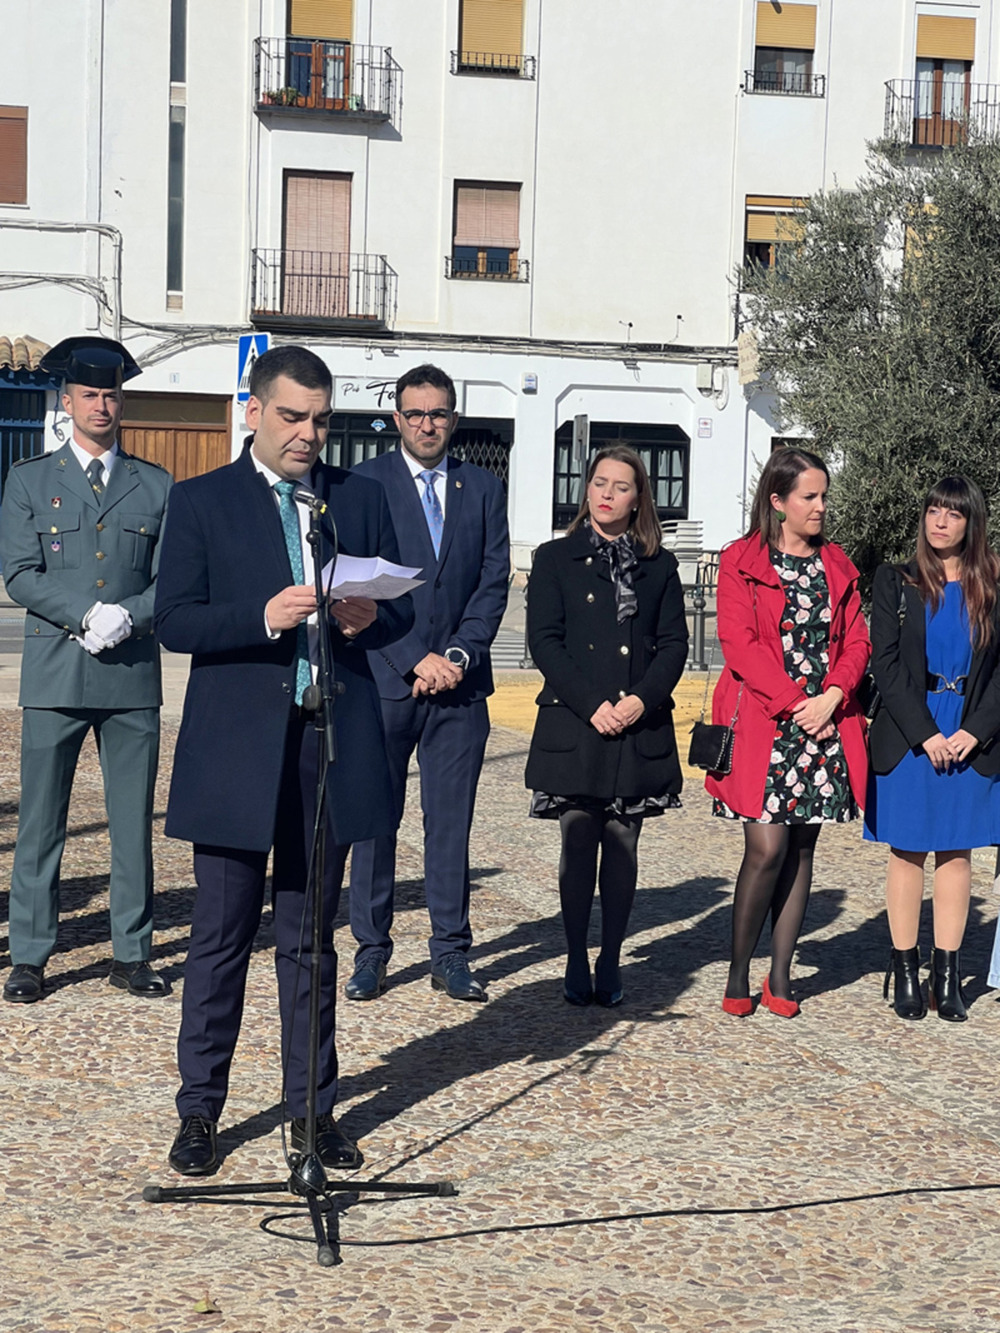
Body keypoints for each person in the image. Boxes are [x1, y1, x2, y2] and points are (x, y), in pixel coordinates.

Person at [153, 345, 412, 1177]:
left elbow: (399, 613)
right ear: (254, 410)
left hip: (324, 743)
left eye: (321, 418)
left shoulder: (356, 498)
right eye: (294, 416)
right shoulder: (201, 502)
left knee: (310, 939)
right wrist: (261, 615)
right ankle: (200, 1113)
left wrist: (365, 620)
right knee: (221, 935)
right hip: (237, 748)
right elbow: (176, 621)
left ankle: (313, 1113)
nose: (309, 433)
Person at [0, 336, 173, 1004]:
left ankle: (132, 951)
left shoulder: (155, 485)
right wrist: (84, 614)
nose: (102, 405)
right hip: (56, 671)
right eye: (90, 394)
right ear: (66, 401)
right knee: (42, 820)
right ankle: (31, 953)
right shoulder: (29, 481)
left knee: (132, 819)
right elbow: (19, 572)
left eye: (112, 394)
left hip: (130, 671)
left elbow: (173, 580)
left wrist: (128, 615)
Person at [345, 364, 509, 1004]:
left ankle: (451, 952)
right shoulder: (366, 484)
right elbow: (357, 587)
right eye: (415, 414)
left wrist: (460, 656)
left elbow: (493, 582)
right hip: (387, 678)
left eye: (438, 413)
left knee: (450, 825)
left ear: (455, 418)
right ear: (396, 419)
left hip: (461, 690)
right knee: (375, 821)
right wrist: (416, 658)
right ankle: (371, 951)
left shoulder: (484, 489)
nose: (427, 424)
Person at [708, 448, 869, 1018]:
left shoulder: (838, 565)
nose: (821, 507)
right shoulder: (740, 560)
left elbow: (857, 643)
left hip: (824, 724)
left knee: (802, 847)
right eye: (810, 496)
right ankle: (737, 971)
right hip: (765, 723)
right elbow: (739, 643)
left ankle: (781, 975)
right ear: (778, 502)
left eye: (824, 496)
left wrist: (830, 698)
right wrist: (796, 701)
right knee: (766, 846)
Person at [524, 446, 688, 1007]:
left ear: (639, 497)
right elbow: (544, 640)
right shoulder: (553, 558)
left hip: (637, 726)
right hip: (577, 722)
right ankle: (574, 955)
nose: (608, 494)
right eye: (600, 482)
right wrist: (592, 703)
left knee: (622, 844)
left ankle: (611, 958)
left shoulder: (659, 566)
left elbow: (674, 645)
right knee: (578, 841)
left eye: (621, 486)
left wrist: (642, 700)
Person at [866, 476, 1000, 1023]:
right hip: (910, 735)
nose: (940, 521)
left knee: (957, 853)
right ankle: (903, 970)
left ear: (972, 523)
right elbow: (886, 664)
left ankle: (948, 976)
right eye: (933, 511)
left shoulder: (993, 584)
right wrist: (927, 734)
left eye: (953, 513)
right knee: (908, 852)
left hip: (972, 734)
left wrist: (977, 729)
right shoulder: (895, 581)